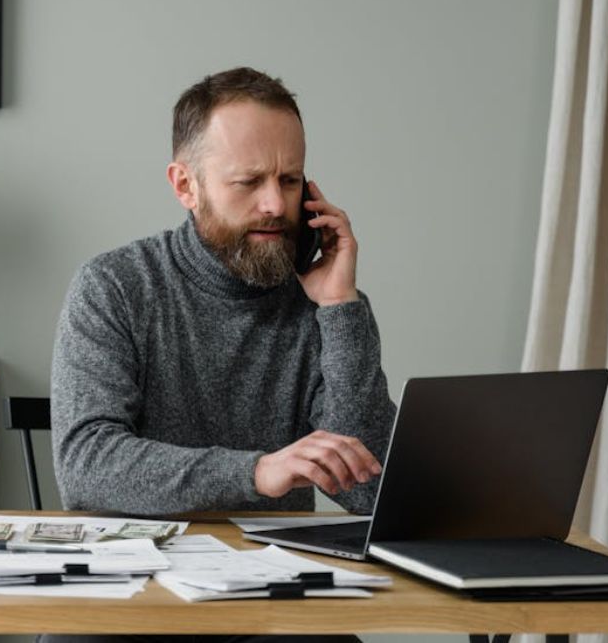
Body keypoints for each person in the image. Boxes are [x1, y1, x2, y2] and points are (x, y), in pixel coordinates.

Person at [50, 66, 395, 519]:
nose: (275, 205)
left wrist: (340, 308)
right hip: (142, 574)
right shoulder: (114, 286)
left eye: (289, 180)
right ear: (185, 185)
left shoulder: (326, 306)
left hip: (281, 576)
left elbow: (372, 492)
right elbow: (86, 467)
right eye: (249, 182)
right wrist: (255, 472)